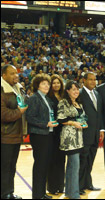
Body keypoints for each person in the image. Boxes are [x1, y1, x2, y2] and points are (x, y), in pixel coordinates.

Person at [26, 73, 59, 199]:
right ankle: (37, 195)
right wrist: (46, 123)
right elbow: (30, 117)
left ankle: (42, 193)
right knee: (40, 165)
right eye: (43, 83)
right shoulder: (34, 98)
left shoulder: (47, 98)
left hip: (48, 134)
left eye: (47, 84)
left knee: (45, 164)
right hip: (39, 135)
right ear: (37, 85)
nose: (47, 86)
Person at [57, 81, 87, 199]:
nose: (76, 91)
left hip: (78, 137)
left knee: (72, 166)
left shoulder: (78, 103)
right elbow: (60, 118)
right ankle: (74, 194)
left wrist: (83, 123)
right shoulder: (63, 102)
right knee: (74, 165)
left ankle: (69, 192)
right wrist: (73, 123)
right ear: (67, 90)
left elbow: (82, 117)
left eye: (77, 89)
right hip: (69, 138)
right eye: (73, 89)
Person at [1, 65, 28, 200]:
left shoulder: (18, 88)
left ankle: (9, 192)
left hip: (16, 135)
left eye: (16, 73)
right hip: (5, 136)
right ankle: (4, 194)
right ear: (3, 76)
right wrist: (20, 112)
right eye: (11, 74)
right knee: (4, 167)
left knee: (12, 166)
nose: (15, 76)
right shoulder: (2, 90)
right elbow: (4, 115)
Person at [79, 72, 103, 195]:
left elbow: (100, 114)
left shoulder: (97, 94)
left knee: (90, 160)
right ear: (84, 80)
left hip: (95, 134)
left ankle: (88, 183)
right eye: (90, 80)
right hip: (84, 133)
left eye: (95, 79)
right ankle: (79, 186)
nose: (93, 82)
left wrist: (101, 129)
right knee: (82, 161)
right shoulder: (79, 94)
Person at [47, 74, 65, 195]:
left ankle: (60, 186)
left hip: (63, 132)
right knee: (52, 160)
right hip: (53, 132)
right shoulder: (48, 97)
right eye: (54, 83)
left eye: (58, 82)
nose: (56, 85)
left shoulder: (64, 96)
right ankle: (52, 187)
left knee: (61, 160)